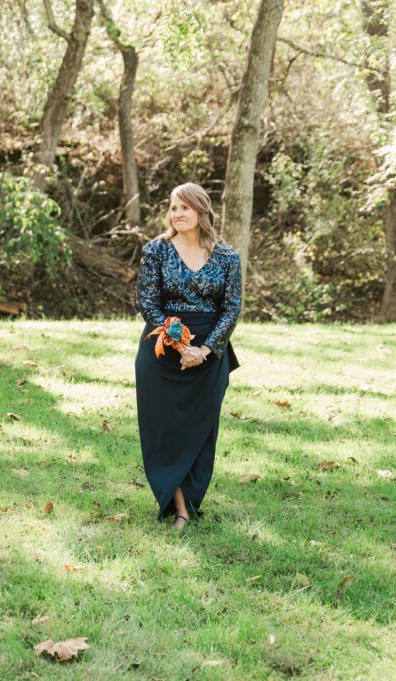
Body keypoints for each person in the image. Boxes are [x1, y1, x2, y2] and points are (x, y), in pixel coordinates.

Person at [134, 182, 241, 531]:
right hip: (163, 351)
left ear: (201, 212)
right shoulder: (156, 250)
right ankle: (179, 508)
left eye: (185, 208)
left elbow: (231, 309)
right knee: (164, 429)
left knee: (199, 430)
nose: (177, 214)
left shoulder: (227, 257)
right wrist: (181, 345)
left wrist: (206, 350)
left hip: (210, 352)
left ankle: (190, 502)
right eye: (173, 207)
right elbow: (148, 303)